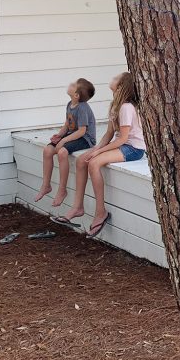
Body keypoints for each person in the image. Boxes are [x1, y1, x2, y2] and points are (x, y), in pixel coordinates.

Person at [53, 71, 144, 238]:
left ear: (121, 86)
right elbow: (109, 134)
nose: (112, 78)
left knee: (94, 163)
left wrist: (100, 152)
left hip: (133, 149)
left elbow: (123, 138)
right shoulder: (115, 105)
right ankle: (78, 207)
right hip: (120, 144)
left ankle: (100, 212)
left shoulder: (126, 107)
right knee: (82, 160)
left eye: (116, 78)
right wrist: (95, 149)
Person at [34, 78, 97, 208]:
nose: (70, 84)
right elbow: (67, 125)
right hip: (72, 135)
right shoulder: (70, 104)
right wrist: (60, 135)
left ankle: (62, 190)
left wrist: (63, 141)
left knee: (62, 152)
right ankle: (46, 185)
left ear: (76, 95)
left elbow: (81, 131)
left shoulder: (82, 108)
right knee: (47, 150)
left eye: (74, 85)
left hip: (85, 138)